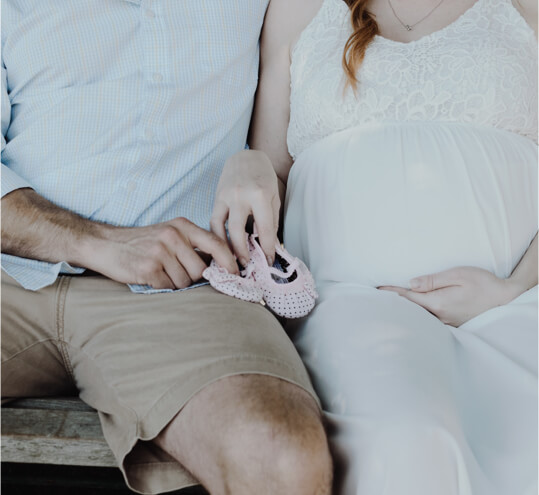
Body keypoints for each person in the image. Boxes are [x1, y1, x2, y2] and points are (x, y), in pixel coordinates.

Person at [0, 2, 334, 494]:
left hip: (186, 287)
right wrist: (100, 243)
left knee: (280, 460)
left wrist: (258, 163)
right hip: (11, 273)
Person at [212, 0, 538, 493]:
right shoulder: (299, 9)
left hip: (517, 304)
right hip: (352, 304)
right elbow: (272, 169)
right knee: (408, 440)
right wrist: (245, 162)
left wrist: (513, 289)